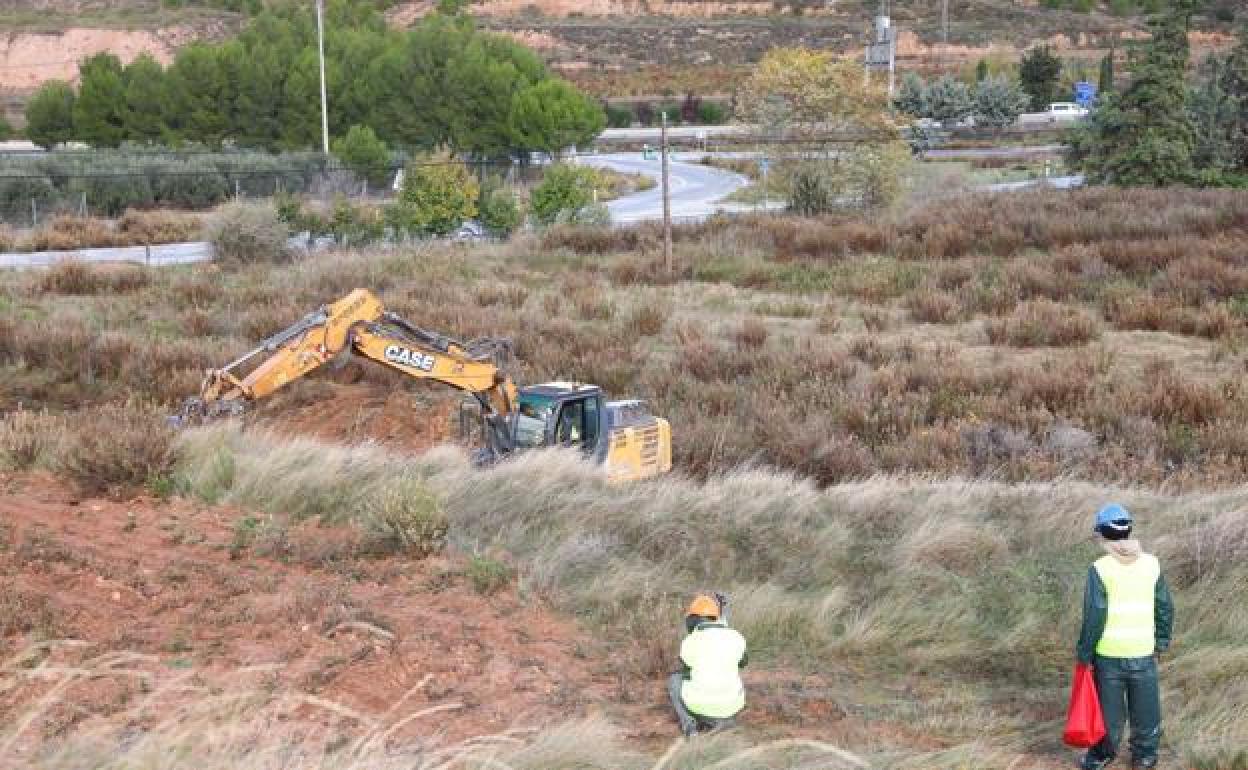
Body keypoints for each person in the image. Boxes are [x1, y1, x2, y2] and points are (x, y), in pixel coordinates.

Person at [1076, 504, 1174, 770]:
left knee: (1109, 713)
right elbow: (1165, 606)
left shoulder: (1099, 568)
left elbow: (1094, 615)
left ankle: (1101, 756)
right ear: (1129, 530)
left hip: (1108, 654)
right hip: (1143, 651)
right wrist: (1162, 641)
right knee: (1146, 709)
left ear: (1102, 533)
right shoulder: (1152, 563)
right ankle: (1145, 757)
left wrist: (1085, 653)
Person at [667, 593, 747, 737]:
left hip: (703, 710)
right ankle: (724, 720)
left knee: (674, 679)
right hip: (733, 710)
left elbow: (686, 671)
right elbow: (743, 662)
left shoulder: (690, 641)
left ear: (693, 619)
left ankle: (690, 726)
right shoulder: (737, 636)